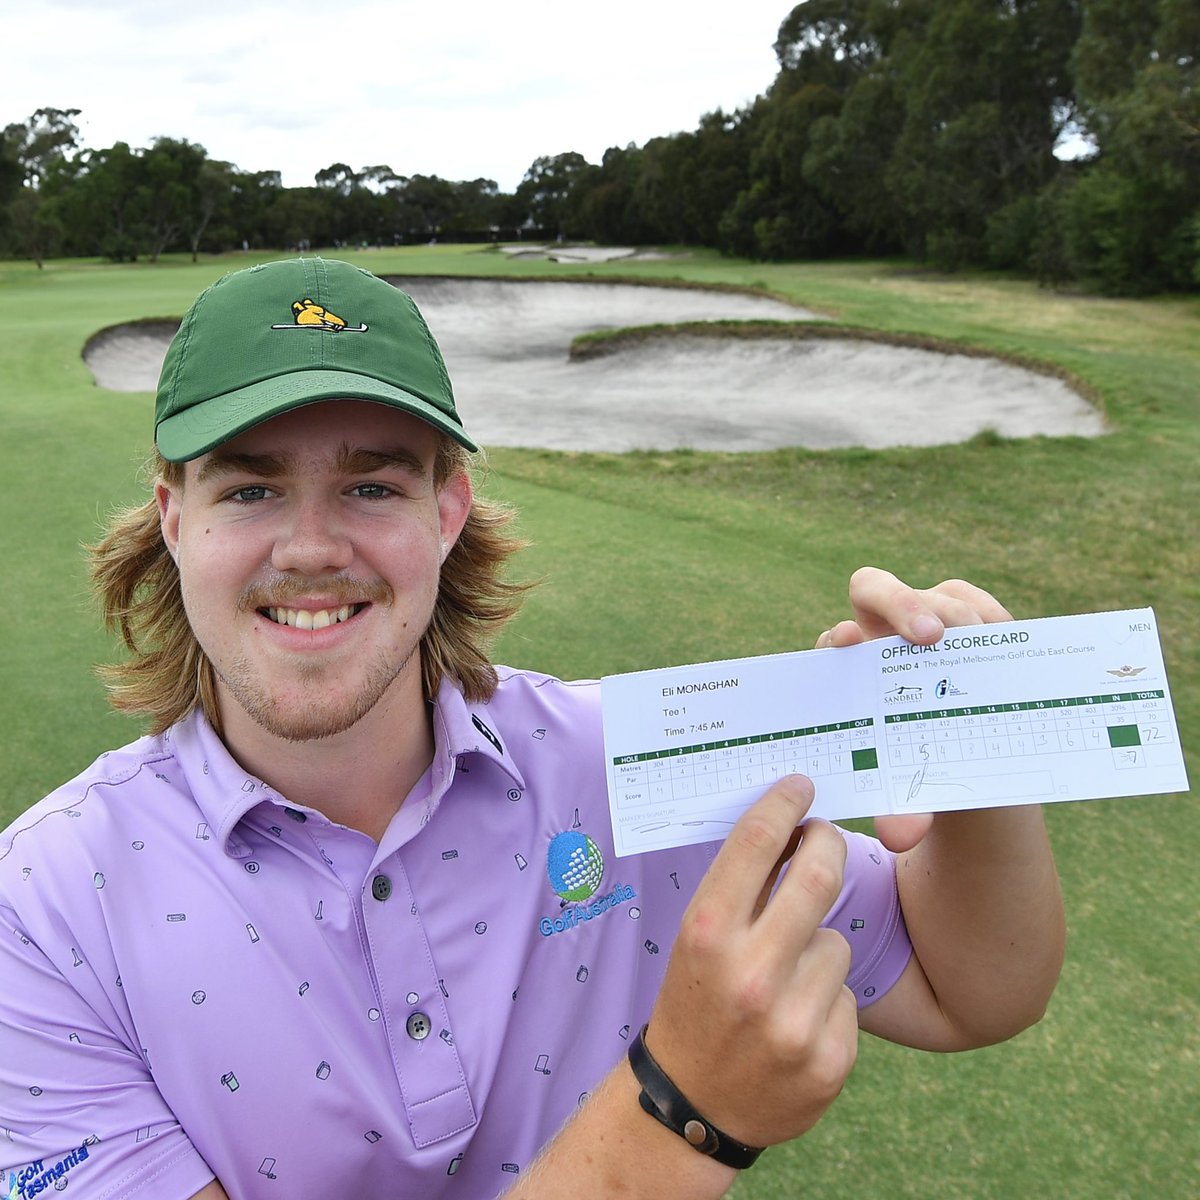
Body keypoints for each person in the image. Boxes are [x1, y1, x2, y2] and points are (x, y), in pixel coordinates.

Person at [0, 258, 1064, 1200]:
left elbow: (962, 987)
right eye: (249, 488)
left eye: (372, 483)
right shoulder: (40, 911)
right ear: (174, 516)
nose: (312, 546)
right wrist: (681, 1113)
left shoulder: (630, 765)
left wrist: (972, 743)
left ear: (447, 512)